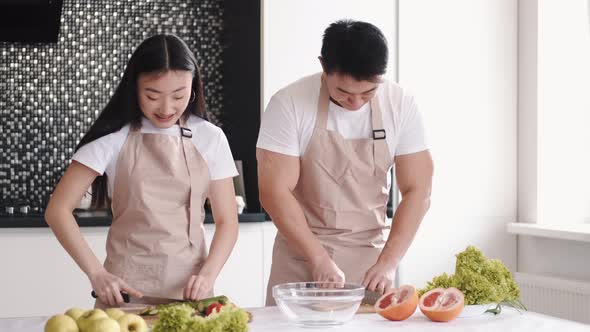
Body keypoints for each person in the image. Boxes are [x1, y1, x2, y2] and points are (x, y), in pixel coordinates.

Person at [45, 34, 239, 308]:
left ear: (193, 88)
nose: (166, 108)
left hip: (192, 295)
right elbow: (57, 210)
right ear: (134, 88)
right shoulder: (114, 136)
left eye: (179, 95)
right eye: (153, 95)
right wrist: (97, 274)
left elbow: (228, 221)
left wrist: (209, 274)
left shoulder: (210, 137)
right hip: (124, 297)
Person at [257, 20, 433, 305]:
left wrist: (388, 262)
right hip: (300, 260)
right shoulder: (289, 103)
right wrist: (318, 258)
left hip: (370, 266)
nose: (356, 103)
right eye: (344, 93)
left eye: (368, 93)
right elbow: (274, 192)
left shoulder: (400, 103)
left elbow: (419, 190)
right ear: (323, 67)